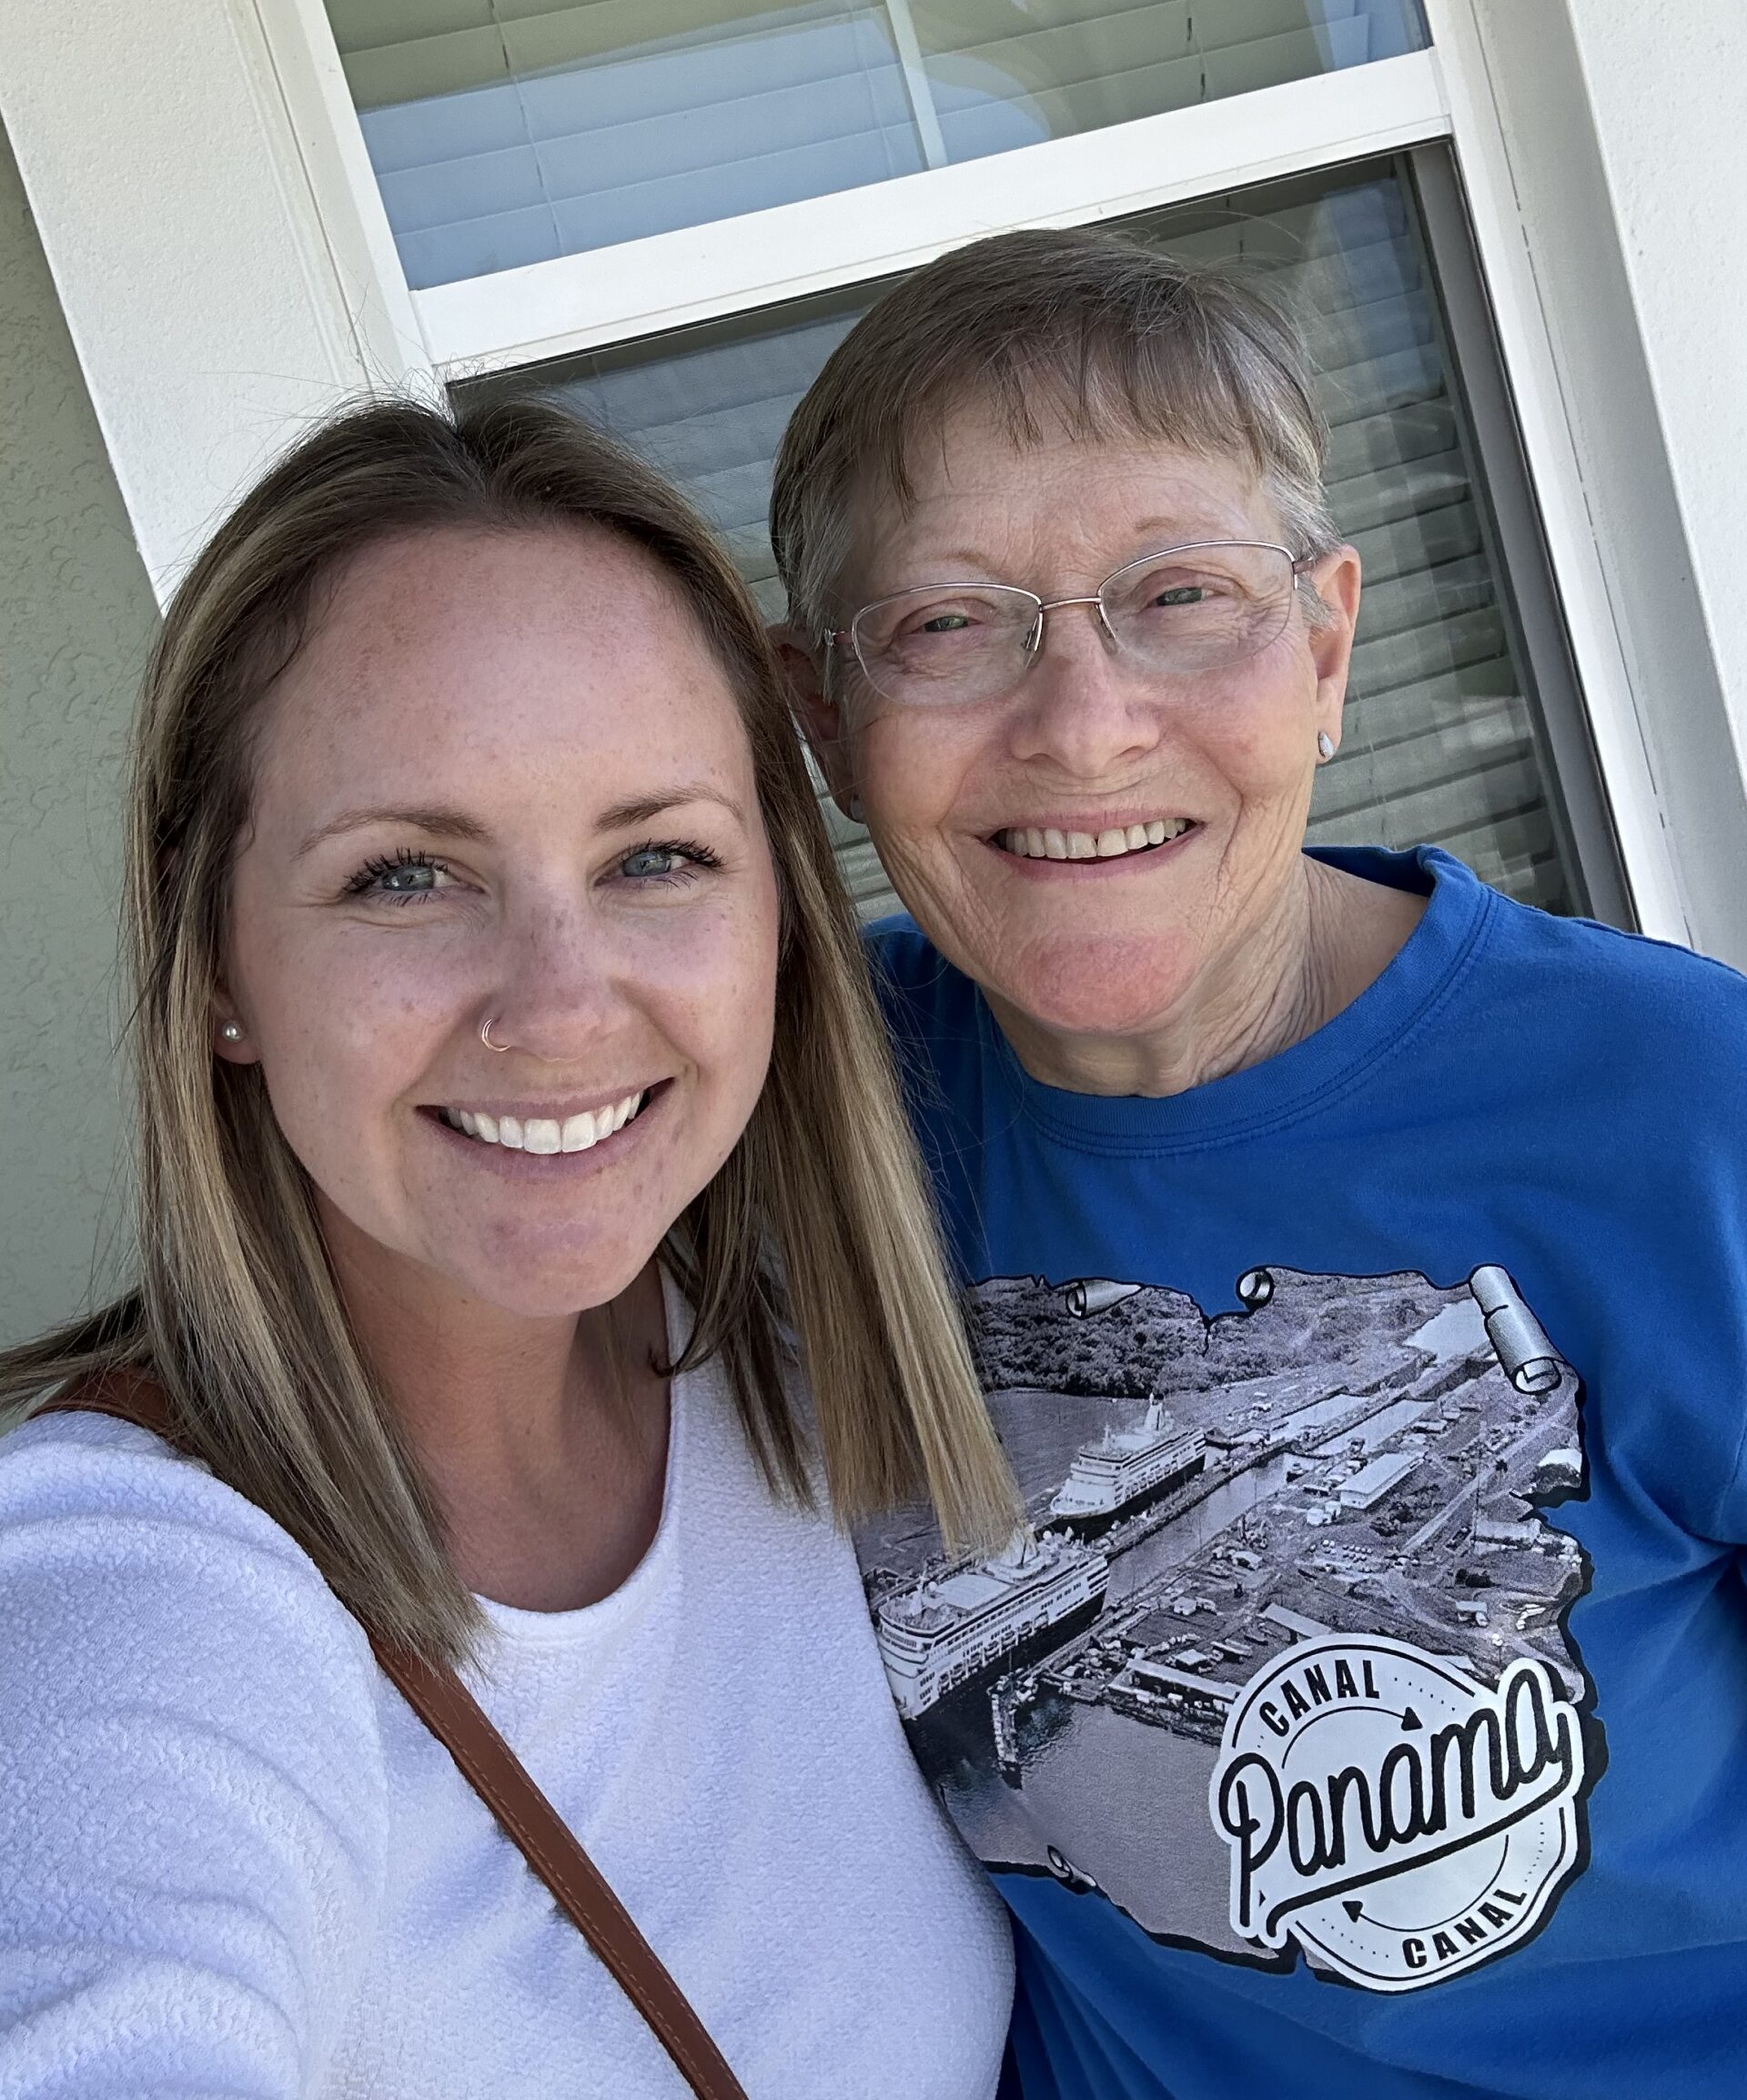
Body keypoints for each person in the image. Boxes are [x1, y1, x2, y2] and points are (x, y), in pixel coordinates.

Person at [771, 228, 1747, 2100]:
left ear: (1326, 641)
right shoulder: (793, 1113)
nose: (1081, 723)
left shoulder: (1674, 1104)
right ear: (825, 716)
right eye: (949, 623)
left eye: (1181, 593)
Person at [0, 399, 1022, 2098]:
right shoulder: (132, 1582)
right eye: (407, 875)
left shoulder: (789, 1360)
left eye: (656, 856)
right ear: (222, 963)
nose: (558, 1009)